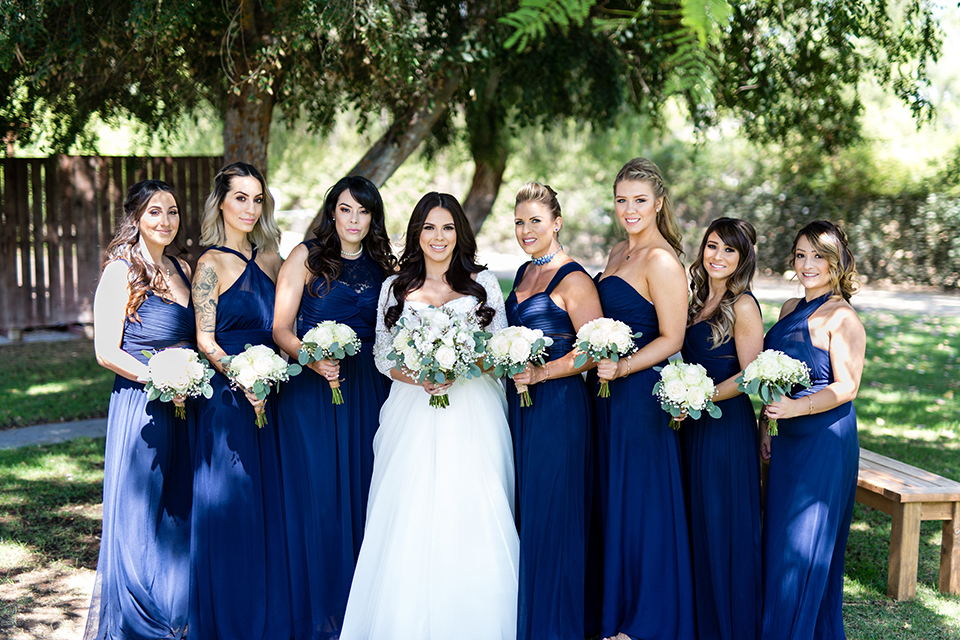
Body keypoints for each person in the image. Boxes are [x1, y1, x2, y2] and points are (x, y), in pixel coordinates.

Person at [340, 192, 519, 640]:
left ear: (460, 233)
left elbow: (498, 352)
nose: (438, 237)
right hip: (412, 409)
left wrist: (459, 367)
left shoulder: (483, 283)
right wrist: (419, 377)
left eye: (447, 228)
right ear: (417, 233)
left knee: (472, 504)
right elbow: (383, 355)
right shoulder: (395, 286)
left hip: (473, 410)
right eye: (429, 228)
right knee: (409, 508)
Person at [272, 176, 396, 639]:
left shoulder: (384, 266)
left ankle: (361, 608)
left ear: (373, 218)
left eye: (363, 212)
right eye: (346, 209)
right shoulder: (305, 257)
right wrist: (311, 356)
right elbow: (281, 327)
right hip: (313, 391)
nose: (354, 220)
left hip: (369, 391)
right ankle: (320, 611)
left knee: (366, 493)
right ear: (332, 212)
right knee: (320, 494)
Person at [85, 180, 194, 640]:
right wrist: (160, 378)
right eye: (154, 212)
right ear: (136, 218)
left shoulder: (183, 268)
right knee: (139, 509)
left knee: (178, 509)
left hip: (187, 405)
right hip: (141, 404)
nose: (165, 221)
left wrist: (189, 375)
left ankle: (176, 612)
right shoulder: (120, 271)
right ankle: (137, 620)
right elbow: (106, 351)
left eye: (171, 212)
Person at [591, 157, 695, 640]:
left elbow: (673, 338)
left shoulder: (662, 261)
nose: (629, 210)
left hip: (639, 397)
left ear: (658, 204)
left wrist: (625, 367)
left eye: (639, 201)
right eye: (621, 200)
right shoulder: (616, 252)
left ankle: (646, 620)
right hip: (604, 394)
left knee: (642, 503)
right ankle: (615, 610)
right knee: (614, 500)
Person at [189, 162, 291, 640]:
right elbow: (205, 341)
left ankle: (272, 615)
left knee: (272, 503)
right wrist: (243, 377)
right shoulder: (209, 265)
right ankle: (232, 619)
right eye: (240, 198)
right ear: (221, 203)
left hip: (276, 396)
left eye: (257, 199)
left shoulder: (273, 260)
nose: (250, 208)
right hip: (229, 400)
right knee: (232, 506)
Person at [504, 182, 602, 640]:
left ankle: (557, 626)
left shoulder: (575, 279)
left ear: (556, 223)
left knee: (555, 515)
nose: (526, 230)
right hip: (518, 408)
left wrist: (542, 375)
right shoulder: (523, 274)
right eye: (520, 221)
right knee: (525, 510)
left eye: (535, 221)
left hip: (559, 410)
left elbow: (592, 350)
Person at [760, 220, 864, 640]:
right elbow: (774, 374)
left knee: (805, 544)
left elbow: (847, 386)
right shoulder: (789, 309)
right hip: (785, 434)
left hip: (824, 439)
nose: (808, 265)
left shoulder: (842, 317)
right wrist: (767, 424)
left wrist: (795, 408)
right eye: (801, 255)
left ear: (836, 262)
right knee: (780, 539)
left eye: (818, 256)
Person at [680, 217, 764, 640]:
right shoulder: (696, 299)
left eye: (729, 250)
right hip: (691, 426)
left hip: (725, 429)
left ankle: (730, 626)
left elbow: (752, 376)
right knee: (697, 522)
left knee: (723, 524)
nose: (718, 256)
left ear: (742, 257)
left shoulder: (743, 305)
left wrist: (700, 397)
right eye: (713, 246)